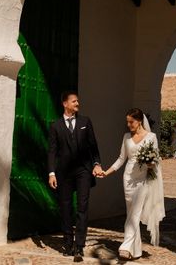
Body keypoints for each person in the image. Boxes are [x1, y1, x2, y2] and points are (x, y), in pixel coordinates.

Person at [99, 108, 166, 261]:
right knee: (131, 212)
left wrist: (150, 164)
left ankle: (125, 246)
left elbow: (155, 160)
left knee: (135, 213)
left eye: (131, 122)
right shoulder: (126, 137)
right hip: (128, 178)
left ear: (139, 121)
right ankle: (135, 251)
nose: (129, 125)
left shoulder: (151, 137)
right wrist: (106, 172)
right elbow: (121, 159)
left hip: (142, 180)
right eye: (127, 122)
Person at [47, 91, 103, 263]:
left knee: (82, 208)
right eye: (74, 101)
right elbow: (52, 151)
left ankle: (79, 246)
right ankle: (68, 243)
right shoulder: (55, 126)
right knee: (65, 209)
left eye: (78, 100)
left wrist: (96, 163)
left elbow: (93, 145)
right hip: (64, 173)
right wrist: (51, 173)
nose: (77, 103)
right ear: (65, 104)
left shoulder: (85, 122)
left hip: (83, 171)